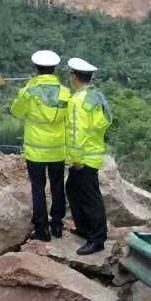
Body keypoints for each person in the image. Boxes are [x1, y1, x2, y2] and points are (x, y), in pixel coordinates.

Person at [9, 49, 69, 241]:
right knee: (58, 186)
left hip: (36, 150)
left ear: (36, 69)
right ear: (54, 70)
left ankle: (42, 229)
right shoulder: (66, 93)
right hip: (58, 149)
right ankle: (57, 225)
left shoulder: (28, 92)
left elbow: (16, 112)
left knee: (38, 187)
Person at [65, 57, 112, 255]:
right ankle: (84, 229)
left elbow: (77, 131)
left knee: (90, 197)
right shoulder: (96, 96)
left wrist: (76, 159)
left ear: (74, 77)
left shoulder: (78, 100)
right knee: (73, 189)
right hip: (92, 152)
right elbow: (105, 122)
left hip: (83, 157)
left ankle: (97, 239)